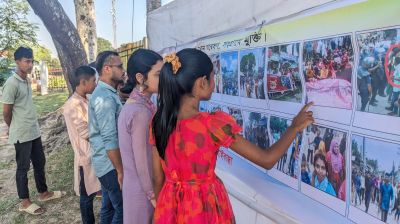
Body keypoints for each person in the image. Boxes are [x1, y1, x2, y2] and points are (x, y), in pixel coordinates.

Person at [150, 49, 314, 223]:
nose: (215, 83)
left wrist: (164, 212)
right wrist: (294, 127)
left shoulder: (158, 121)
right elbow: (267, 159)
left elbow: (158, 177)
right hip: (204, 209)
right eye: (214, 77)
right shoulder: (212, 125)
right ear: (202, 83)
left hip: (170, 206)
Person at [1, 47, 65, 215]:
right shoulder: (11, 84)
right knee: (23, 168)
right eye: (27, 61)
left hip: (34, 131)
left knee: (39, 163)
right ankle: (24, 201)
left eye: (32, 61)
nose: (30, 65)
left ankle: (43, 193)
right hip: (21, 134)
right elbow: (6, 113)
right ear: (17, 62)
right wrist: (14, 127)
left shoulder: (27, 81)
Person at [117, 49, 163, 223]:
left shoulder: (140, 105)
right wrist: (152, 195)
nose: (163, 79)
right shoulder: (140, 112)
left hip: (137, 184)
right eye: (158, 74)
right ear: (140, 77)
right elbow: (143, 161)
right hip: (143, 189)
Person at [89, 51, 125, 223]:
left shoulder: (107, 93)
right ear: (107, 69)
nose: (123, 70)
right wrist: (120, 170)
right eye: (120, 66)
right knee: (122, 209)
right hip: (110, 165)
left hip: (104, 162)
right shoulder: (104, 97)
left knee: (108, 207)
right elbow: (110, 139)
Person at [63, 66, 101, 223]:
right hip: (85, 156)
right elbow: (86, 132)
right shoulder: (72, 106)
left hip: (94, 152)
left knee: (94, 191)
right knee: (86, 196)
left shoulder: (86, 99)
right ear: (83, 82)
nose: (96, 84)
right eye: (94, 81)